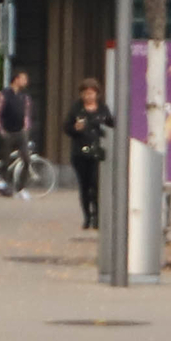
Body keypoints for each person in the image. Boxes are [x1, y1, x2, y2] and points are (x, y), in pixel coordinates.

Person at [65, 79, 112, 230]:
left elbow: (112, 125)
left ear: (97, 94)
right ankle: (87, 217)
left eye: (91, 93)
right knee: (84, 186)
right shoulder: (76, 109)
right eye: (85, 94)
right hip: (80, 153)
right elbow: (66, 128)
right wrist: (75, 128)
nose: (88, 96)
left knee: (96, 184)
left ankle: (97, 216)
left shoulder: (103, 109)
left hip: (97, 153)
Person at [0, 73, 35, 193]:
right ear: (16, 79)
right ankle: (5, 186)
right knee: (6, 160)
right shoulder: (3, 95)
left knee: (27, 159)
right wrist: (1, 130)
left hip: (20, 131)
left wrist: (26, 129)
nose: (26, 82)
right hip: (7, 131)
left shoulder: (25, 97)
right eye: (23, 79)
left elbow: (26, 115)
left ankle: (21, 185)